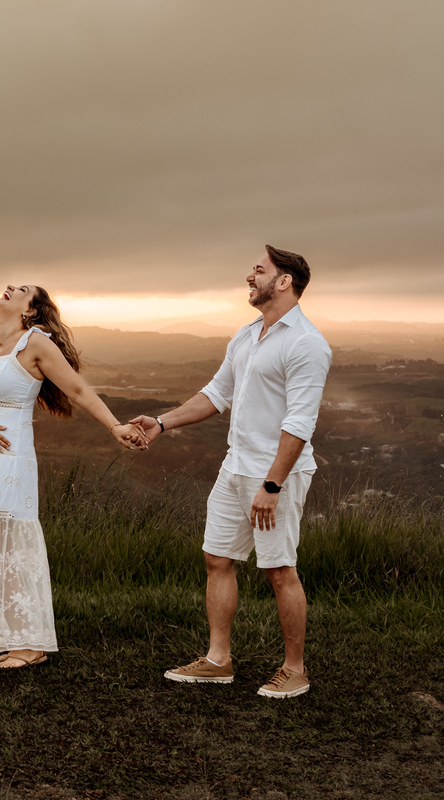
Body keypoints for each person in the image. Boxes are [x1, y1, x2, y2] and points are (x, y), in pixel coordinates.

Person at [129, 245, 332, 699]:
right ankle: (218, 660)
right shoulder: (246, 335)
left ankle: (294, 669)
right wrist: (162, 423)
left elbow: (299, 423)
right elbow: (215, 394)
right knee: (218, 560)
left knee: (279, 569)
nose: (249, 277)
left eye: (258, 271)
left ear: (284, 282)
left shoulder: (307, 343)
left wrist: (272, 484)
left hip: (275, 475)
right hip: (234, 468)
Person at [0, 284, 146, 669]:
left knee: (0, 541)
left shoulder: (36, 344)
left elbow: (76, 388)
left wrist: (114, 427)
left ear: (31, 310)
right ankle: (11, 627)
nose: (8, 288)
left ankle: (30, 640)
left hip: (8, 458)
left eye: (21, 289)